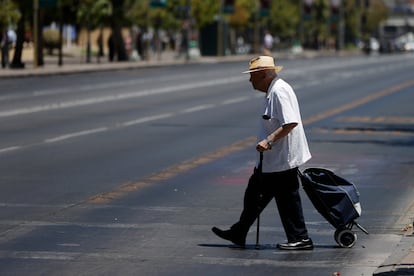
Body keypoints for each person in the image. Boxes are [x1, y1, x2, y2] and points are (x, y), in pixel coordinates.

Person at [212, 56, 313, 250]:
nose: (250, 80)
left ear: (264, 75)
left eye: (253, 76)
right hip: (273, 160)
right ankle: (239, 231)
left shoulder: (279, 91)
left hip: (283, 158)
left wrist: (269, 140)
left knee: (286, 200)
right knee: (255, 194)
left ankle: (300, 238)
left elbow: (290, 122)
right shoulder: (273, 90)